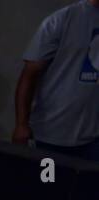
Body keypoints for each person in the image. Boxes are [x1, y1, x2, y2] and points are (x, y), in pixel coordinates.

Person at [13, 0, 99, 160]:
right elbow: (29, 74)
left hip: (92, 138)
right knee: (48, 182)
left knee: (87, 185)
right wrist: (21, 125)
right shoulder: (62, 19)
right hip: (50, 136)